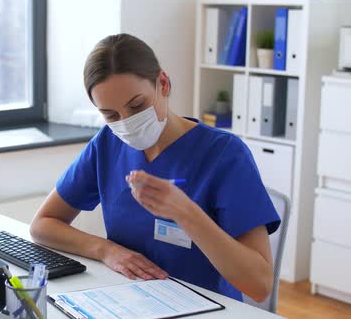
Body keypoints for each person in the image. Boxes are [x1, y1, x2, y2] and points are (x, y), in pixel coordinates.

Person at [30, 33, 281, 302]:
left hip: (206, 306)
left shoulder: (224, 154)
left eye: (137, 105)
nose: (127, 122)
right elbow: (43, 225)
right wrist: (105, 250)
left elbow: (260, 285)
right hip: (129, 301)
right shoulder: (107, 145)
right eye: (111, 115)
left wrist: (185, 213)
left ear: (163, 83)